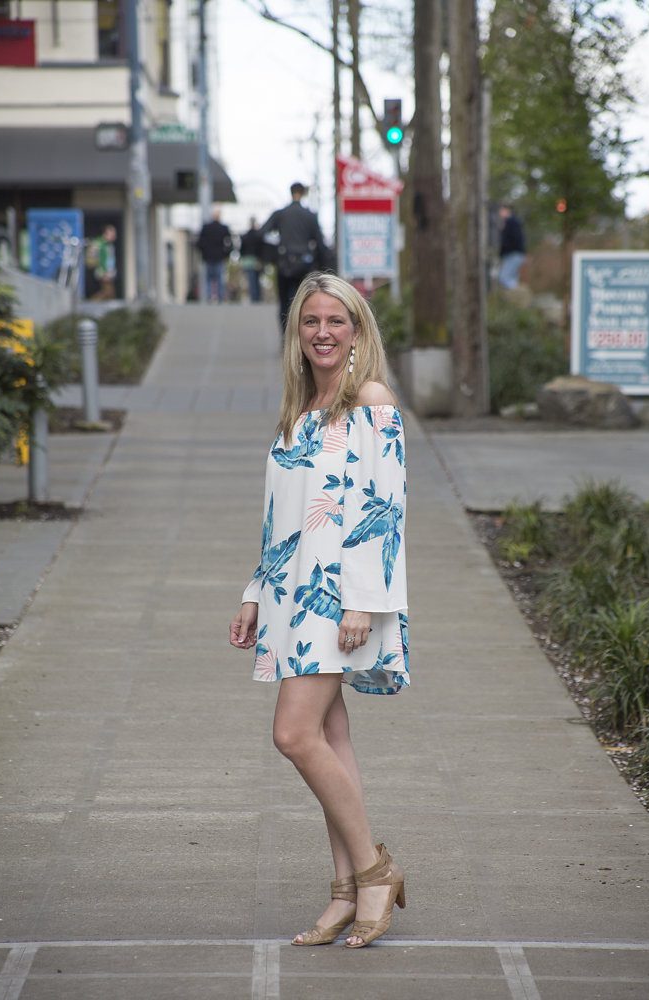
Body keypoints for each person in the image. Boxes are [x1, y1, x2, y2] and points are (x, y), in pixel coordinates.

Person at [230, 272, 409, 949]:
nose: (323, 332)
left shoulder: (371, 400)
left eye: (337, 320)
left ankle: (374, 870)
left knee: (293, 735)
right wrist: (254, 592)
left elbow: (384, 511)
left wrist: (362, 599)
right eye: (311, 322)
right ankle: (343, 894)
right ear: (297, 334)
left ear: (357, 329)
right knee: (329, 740)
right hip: (291, 594)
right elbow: (281, 520)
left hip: (340, 599)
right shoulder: (301, 407)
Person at [259, 182, 329, 333]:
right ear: (303, 193)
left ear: (290, 193)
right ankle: (301, 335)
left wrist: (274, 250)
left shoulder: (281, 214)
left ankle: (286, 337)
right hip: (305, 264)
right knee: (304, 300)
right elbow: (320, 243)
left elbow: (262, 233)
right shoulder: (310, 216)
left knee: (284, 302)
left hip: (284, 263)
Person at [196, 209, 233, 302]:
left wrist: (204, 252)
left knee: (210, 278)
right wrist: (226, 253)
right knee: (219, 278)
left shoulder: (206, 228)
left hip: (209, 257)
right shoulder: (223, 228)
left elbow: (200, 242)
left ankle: (209, 296)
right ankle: (219, 297)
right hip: (218, 256)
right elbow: (229, 243)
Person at [498, 204, 526, 289]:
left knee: (504, 277)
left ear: (506, 210)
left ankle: (516, 295)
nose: (500, 213)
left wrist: (505, 249)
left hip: (513, 254)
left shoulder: (511, 222)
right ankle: (516, 297)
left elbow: (514, 239)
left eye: (501, 211)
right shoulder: (511, 222)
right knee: (512, 278)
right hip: (515, 253)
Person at [89, 224, 117, 300]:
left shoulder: (108, 244)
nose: (114, 235)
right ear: (106, 233)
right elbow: (94, 257)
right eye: (112, 233)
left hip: (108, 272)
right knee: (108, 292)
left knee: (109, 293)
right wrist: (103, 271)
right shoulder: (99, 243)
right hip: (103, 272)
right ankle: (90, 303)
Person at [240, 217, 264, 303]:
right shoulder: (258, 236)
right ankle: (256, 297)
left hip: (248, 260)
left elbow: (241, 249)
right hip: (257, 260)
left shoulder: (245, 236)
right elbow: (262, 249)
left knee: (251, 279)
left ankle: (254, 297)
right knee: (256, 279)